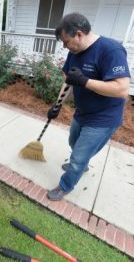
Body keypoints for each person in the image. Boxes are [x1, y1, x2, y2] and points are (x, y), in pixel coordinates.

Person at [46, 12, 130, 201]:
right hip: (82, 113)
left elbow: (121, 89)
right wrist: (58, 104)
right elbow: (68, 80)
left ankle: (65, 185)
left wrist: (84, 82)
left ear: (79, 34)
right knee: (73, 143)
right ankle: (81, 165)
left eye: (66, 41)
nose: (64, 46)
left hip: (103, 118)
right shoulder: (74, 53)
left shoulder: (111, 50)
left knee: (77, 157)